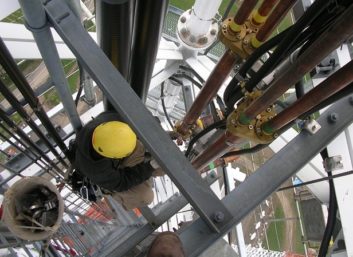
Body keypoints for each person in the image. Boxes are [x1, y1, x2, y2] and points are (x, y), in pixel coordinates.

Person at [74, 112, 163, 210]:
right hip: (111, 180)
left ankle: (146, 173)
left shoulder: (110, 124)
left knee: (158, 162)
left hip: (113, 162)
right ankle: (122, 195)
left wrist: (159, 131)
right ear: (116, 156)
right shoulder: (96, 170)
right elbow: (122, 182)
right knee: (146, 197)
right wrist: (150, 167)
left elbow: (138, 122)